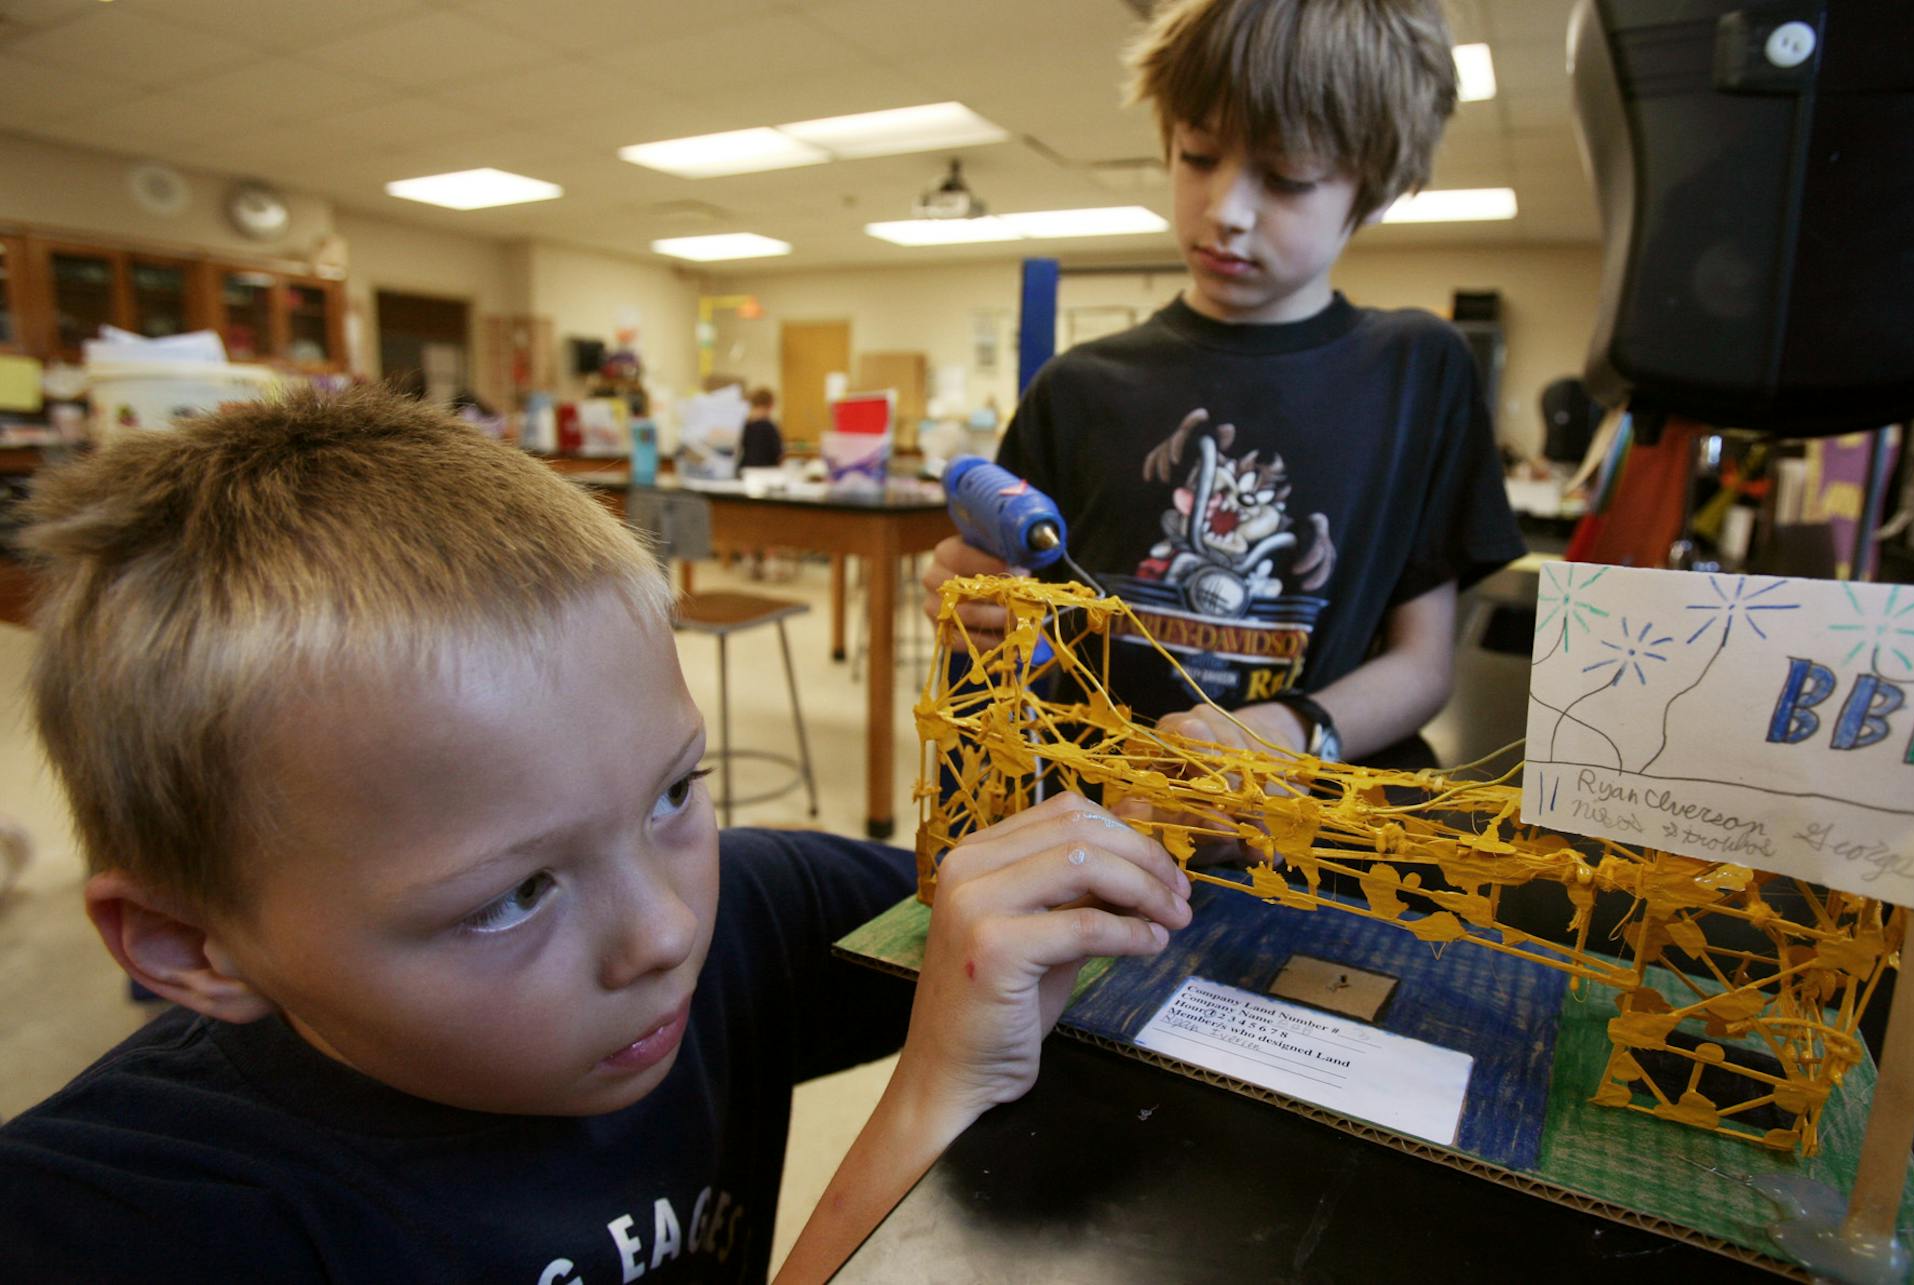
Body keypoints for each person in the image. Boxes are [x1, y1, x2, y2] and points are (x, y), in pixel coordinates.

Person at [0, 386, 1192, 1283]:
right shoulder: (116, 1228)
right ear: (187, 945)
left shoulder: (741, 916)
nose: (668, 930)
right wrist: (930, 1105)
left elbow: (1001, 909)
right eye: (513, 895)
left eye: (674, 792)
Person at [923, 0, 1524, 773]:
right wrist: (976, 619)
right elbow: (1006, 660)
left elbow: (1424, 662)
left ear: (1371, 185)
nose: (1226, 211)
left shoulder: (1419, 372)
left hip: (1314, 842)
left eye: (1287, 178)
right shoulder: (1075, 388)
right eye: (1199, 156)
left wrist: (1286, 730)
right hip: (1098, 828)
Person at [739, 386, 784, 470]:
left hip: (746, 470)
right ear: (770, 405)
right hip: (766, 471)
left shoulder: (744, 425)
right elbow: (778, 453)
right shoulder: (769, 427)